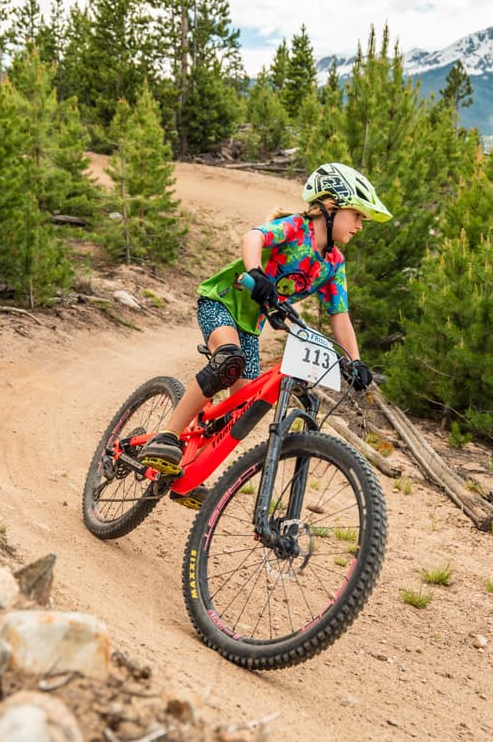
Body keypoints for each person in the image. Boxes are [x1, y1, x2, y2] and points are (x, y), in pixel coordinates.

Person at [139, 162, 391, 504]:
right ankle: (167, 436)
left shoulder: (333, 263)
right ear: (330, 208)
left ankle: (190, 468)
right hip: (222, 302)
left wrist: (356, 361)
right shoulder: (296, 229)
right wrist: (256, 272)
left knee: (244, 406)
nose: (361, 225)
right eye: (357, 215)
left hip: (251, 326)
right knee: (228, 363)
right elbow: (253, 236)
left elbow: (340, 315)